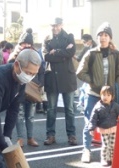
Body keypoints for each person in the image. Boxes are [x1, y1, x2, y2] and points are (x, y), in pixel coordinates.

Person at [76, 22, 119, 163]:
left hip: (110, 96)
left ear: (110, 38)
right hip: (93, 94)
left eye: (106, 35)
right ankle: (86, 150)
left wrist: (117, 85)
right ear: (97, 38)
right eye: (100, 35)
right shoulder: (91, 53)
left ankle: (109, 153)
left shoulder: (116, 54)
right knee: (90, 122)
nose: (103, 38)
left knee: (112, 123)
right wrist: (92, 81)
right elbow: (80, 72)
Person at [43, 17, 78, 146]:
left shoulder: (69, 36)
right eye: (53, 25)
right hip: (52, 78)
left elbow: (71, 52)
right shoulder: (47, 39)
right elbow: (46, 56)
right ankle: (50, 135)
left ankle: (72, 135)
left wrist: (56, 52)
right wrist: (63, 54)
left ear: (62, 25)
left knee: (69, 109)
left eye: (57, 25)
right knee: (51, 109)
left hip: (67, 78)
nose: (55, 28)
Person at [9, 28, 44, 147]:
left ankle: (30, 138)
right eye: (23, 43)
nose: (26, 45)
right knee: (19, 115)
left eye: (28, 43)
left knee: (30, 115)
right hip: (18, 89)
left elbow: (41, 70)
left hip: (32, 89)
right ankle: (20, 138)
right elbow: (8, 66)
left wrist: (39, 83)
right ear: (20, 44)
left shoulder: (36, 54)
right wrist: (14, 55)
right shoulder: (15, 54)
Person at [87, 85, 119, 166]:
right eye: (103, 95)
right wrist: (91, 129)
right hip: (103, 129)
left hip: (114, 128)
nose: (105, 97)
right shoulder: (98, 106)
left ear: (112, 97)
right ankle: (104, 158)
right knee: (105, 145)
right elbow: (93, 118)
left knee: (113, 145)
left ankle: (112, 158)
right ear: (100, 95)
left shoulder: (115, 106)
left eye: (108, 95)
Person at [74, 34, 97, 112]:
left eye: (84, 42)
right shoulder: (86, 48)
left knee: (85, 89)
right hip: (87, 72)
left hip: (94, 73)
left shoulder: (96, 48)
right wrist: (71, 54)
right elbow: (78, 58)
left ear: (89, 41)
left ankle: (81, 104)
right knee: (84, 88)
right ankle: (81, 104)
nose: (84, 43)